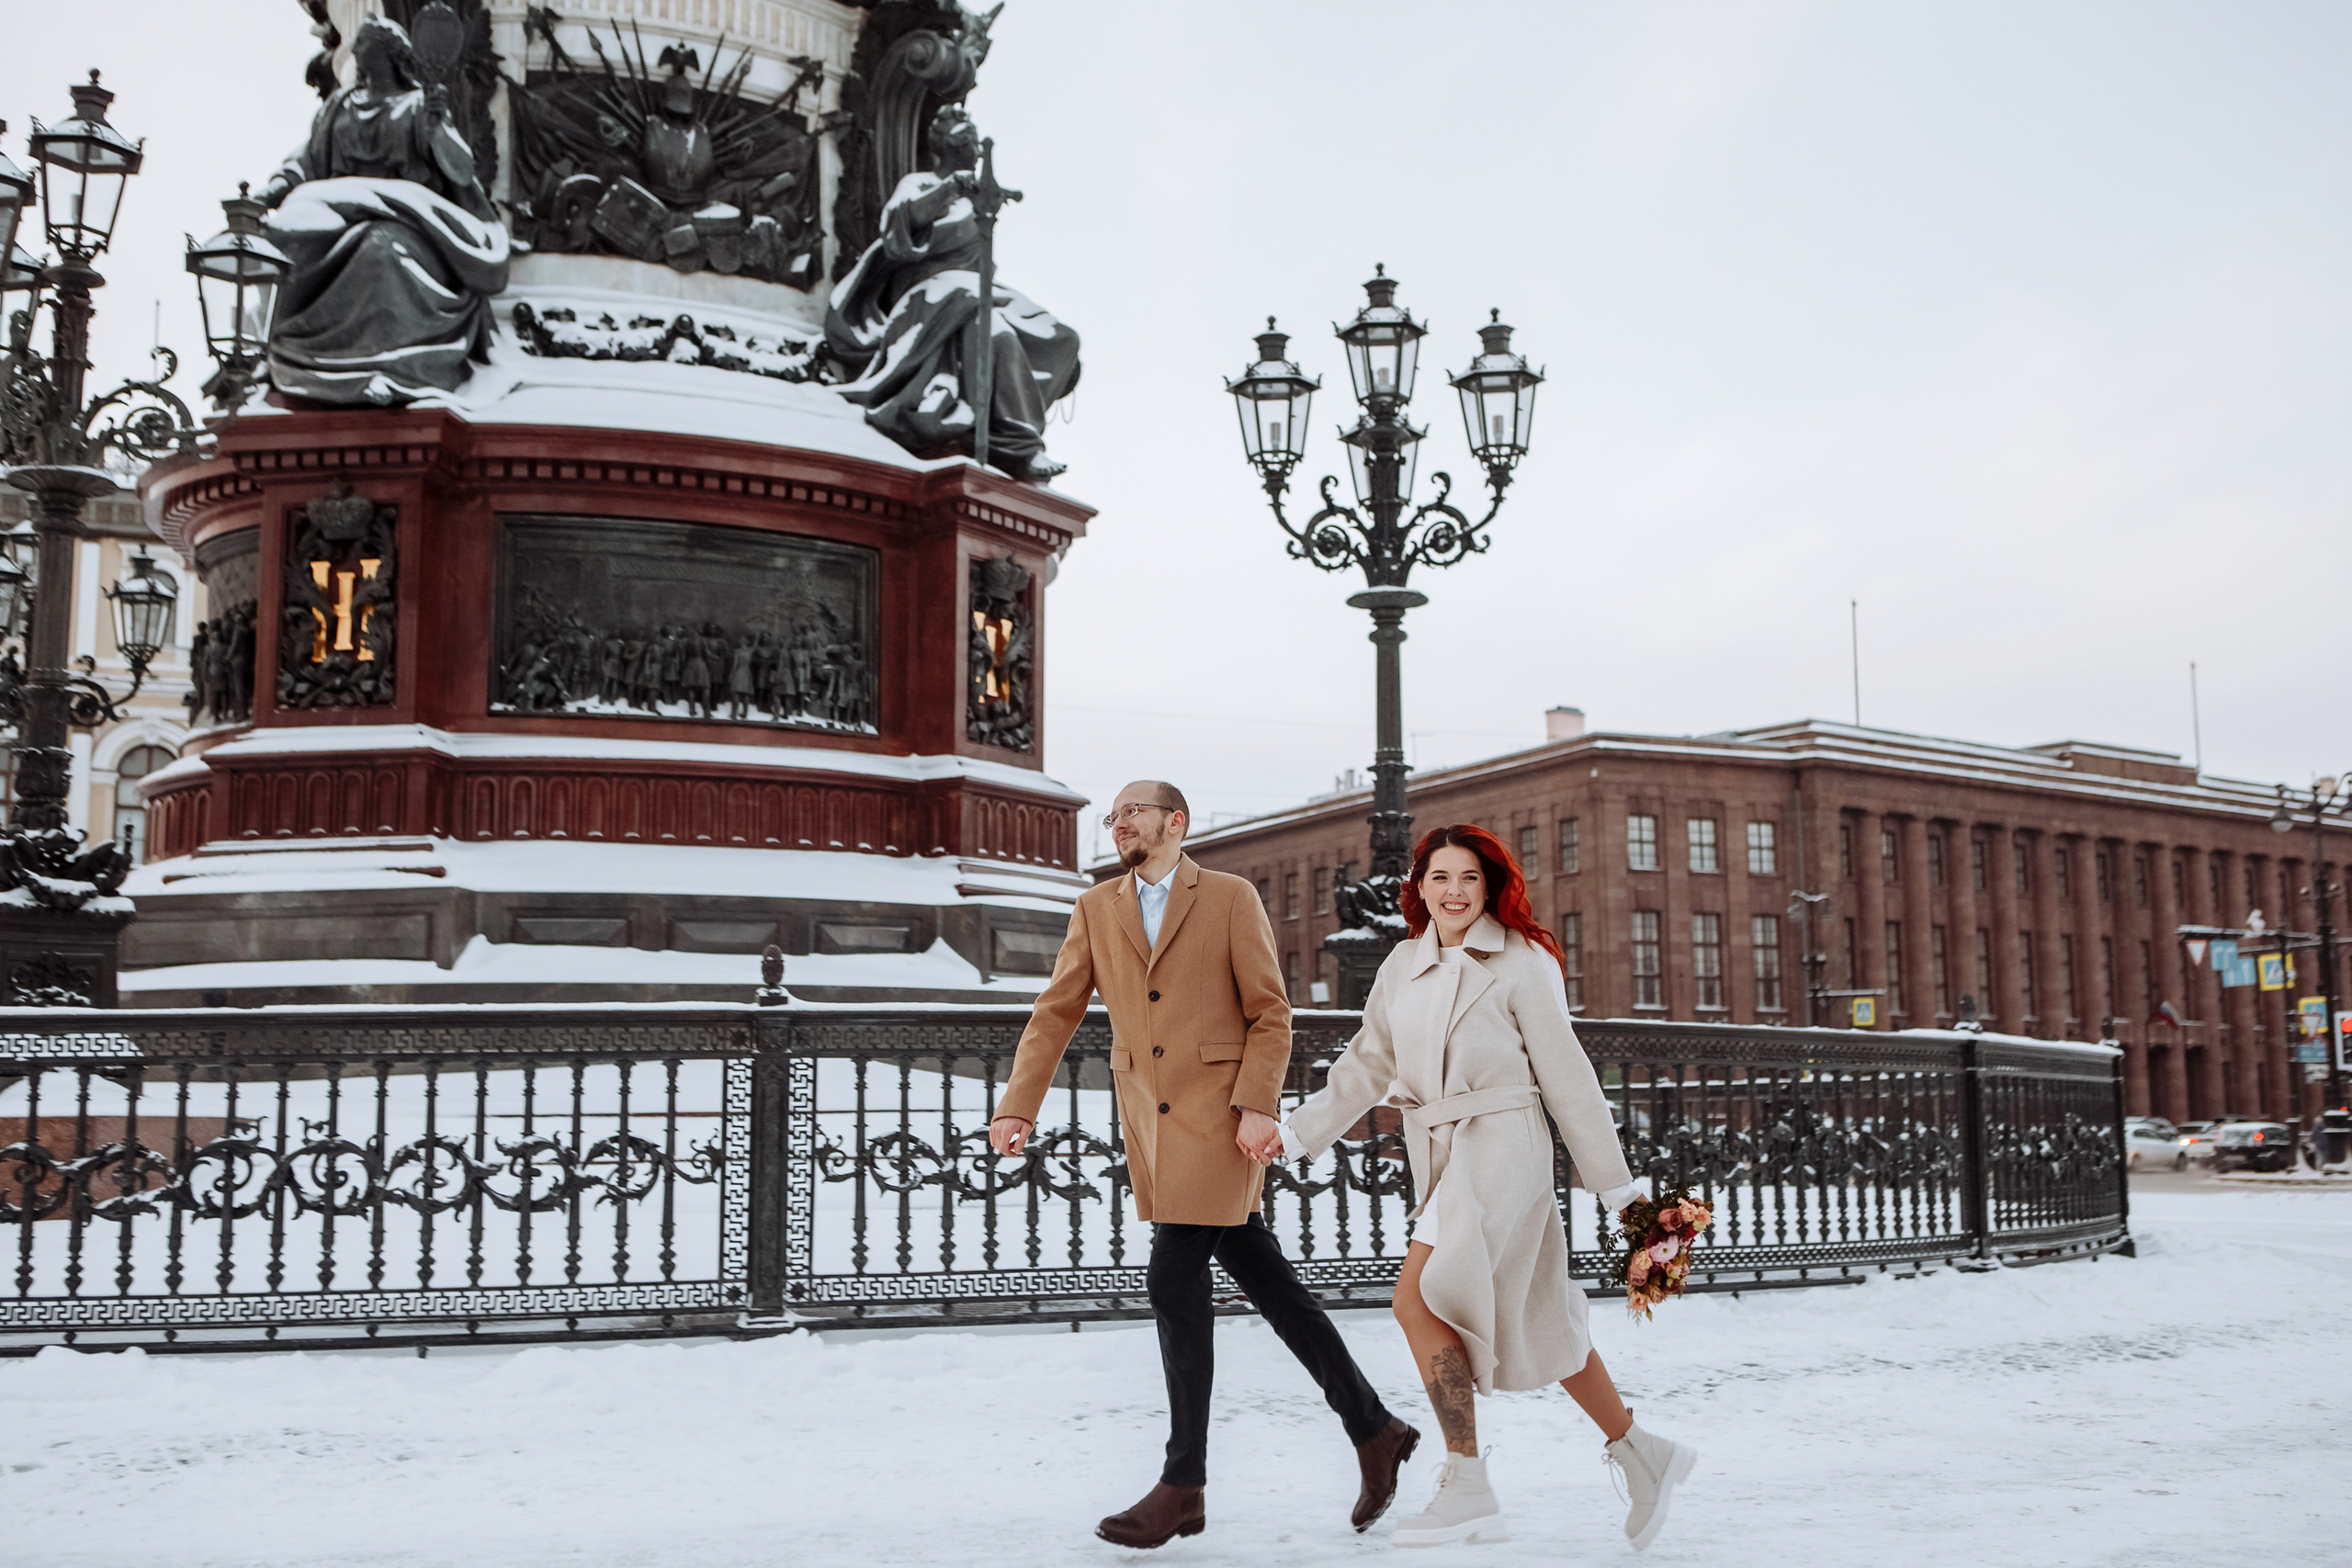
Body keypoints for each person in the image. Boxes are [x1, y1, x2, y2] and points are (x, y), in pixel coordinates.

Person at [989, 781, 1421, 1549]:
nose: (1118, 823)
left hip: (1222, 1121)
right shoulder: (1096, 908)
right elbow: (1055, 1008)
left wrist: (1259, 1103)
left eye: (1133, 811)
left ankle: (1183, 1481)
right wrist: (1018, 1102)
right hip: (1152, 1125)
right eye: (1114, 815)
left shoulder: (1227, 896)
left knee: (1171, 1277)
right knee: (1270, 1284)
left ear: (1174, 822)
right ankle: (1373, 1426)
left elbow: (1270, 1009)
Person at [1264, 824, 1700, 1551]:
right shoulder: (1403, 964)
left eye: (1470, 877)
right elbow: (1368, 1062)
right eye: (1441, 877)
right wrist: (1299, 1130)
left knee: (1416, 1298)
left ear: (1490, 886)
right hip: (1441, 1154)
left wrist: (1618, 1187)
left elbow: (1568, 1074)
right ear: (1420, 885)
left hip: (1504, 1150)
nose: (1455, 891)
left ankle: (1467, 1480)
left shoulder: (1523, 961)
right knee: (1542, 1318)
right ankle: (1640, 1450)